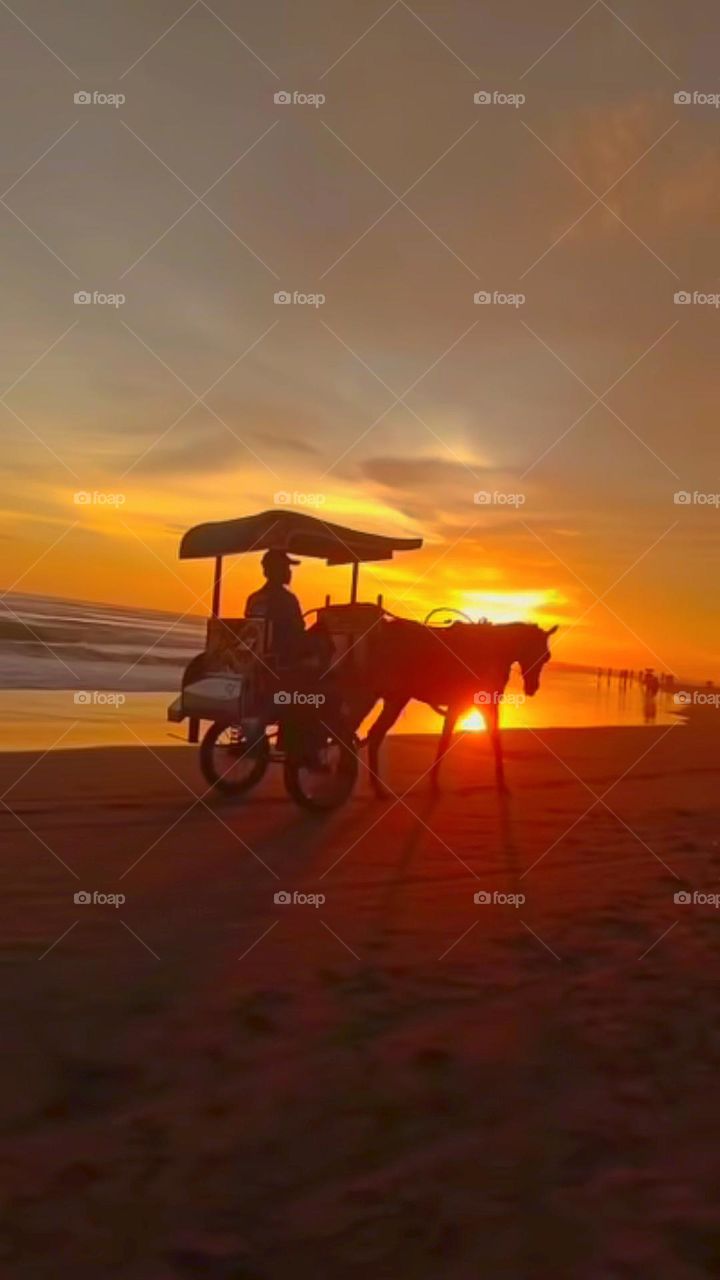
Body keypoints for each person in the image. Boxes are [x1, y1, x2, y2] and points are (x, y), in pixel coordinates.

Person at [245, 549, 306, 661]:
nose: (289, 572)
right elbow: (298, 630)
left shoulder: (253, 598)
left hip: (257, 654)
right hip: (283, 656)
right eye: (286, 568)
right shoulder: (287, 599)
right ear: (278, 570)